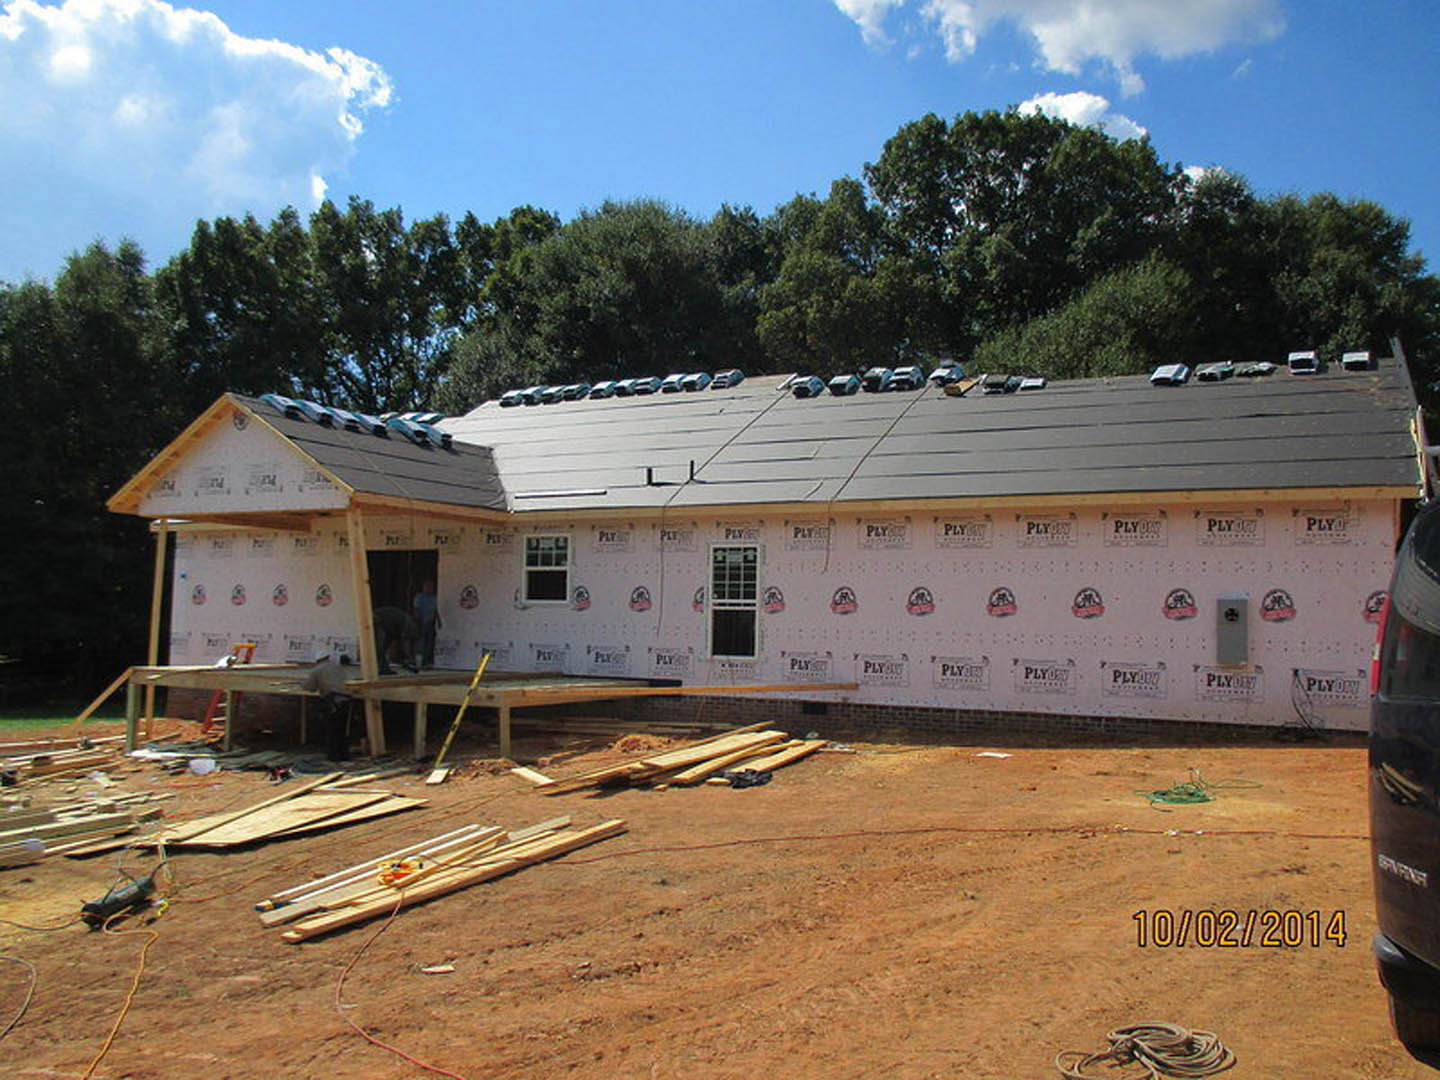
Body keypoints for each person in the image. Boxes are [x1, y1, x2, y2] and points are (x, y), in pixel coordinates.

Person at [302, 645, 352, 761]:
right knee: (342, 730)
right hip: (346, 700)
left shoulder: (317, 670)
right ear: (328, 657)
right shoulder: (338, 667)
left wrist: (302, 684)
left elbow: (310, 688)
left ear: (317, 660)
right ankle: (344, 756)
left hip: (333, 702)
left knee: (332, 731)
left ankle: (333, 757)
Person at [372, 605, 419, 675]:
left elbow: (405, 643)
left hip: (397, 629)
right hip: (393, 630)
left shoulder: (406, 625)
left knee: (385, 650)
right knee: (380, 649)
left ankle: (409, 663)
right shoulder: (381, 617)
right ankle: (385, 668)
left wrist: (409, 657)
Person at [412, 579, 442, 668]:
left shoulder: (434, 598)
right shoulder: (419, 597)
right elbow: (416, 609)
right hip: (421, 621)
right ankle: (419, 660)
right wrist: (417, 620)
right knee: (421, 641)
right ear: (424, 588)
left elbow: (435, 610)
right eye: (427, 587)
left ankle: (427, 661)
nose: (429, 589)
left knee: (430, 642)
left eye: (431, 587)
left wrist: (439, 621)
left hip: (430, 622)